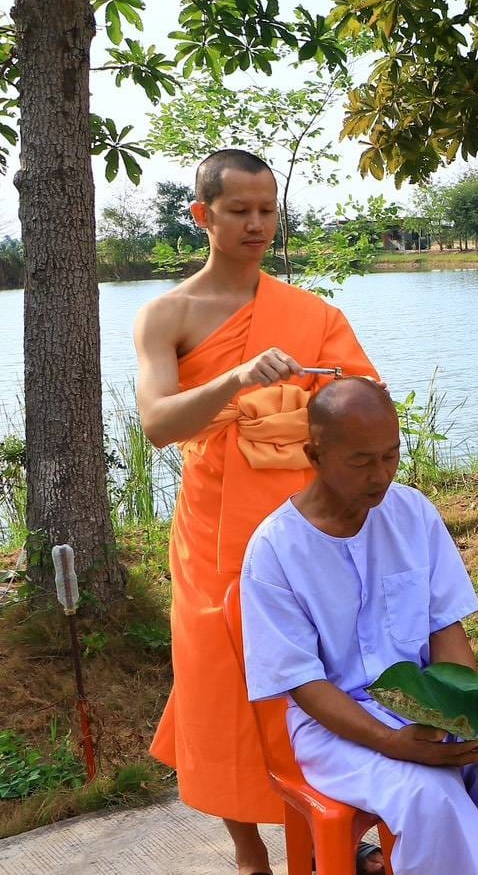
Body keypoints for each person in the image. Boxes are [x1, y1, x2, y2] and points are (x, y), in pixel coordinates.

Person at [134, 149, 382, 875]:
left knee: (327, 668)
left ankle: (337, 824)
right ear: (201, 214)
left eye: (266, 209)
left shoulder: (311, 313)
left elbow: (363, 399)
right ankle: (249, 850)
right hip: (216, 529)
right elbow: (158, 422)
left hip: (309, 519)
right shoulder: (168, 314)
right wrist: (240, 379)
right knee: (221, 684)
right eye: (238, 209)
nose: (256, 223)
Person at [240, 378, 478, 875]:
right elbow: (302, 683)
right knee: (429, 795)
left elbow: (445, 629)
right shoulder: (275, 550)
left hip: (425, 706)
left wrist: (468, 710)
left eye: (391, 456)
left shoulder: (413, 514)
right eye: (362, 460)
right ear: (315, 453)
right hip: (333, 727)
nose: (381, 474)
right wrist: (388, 741)